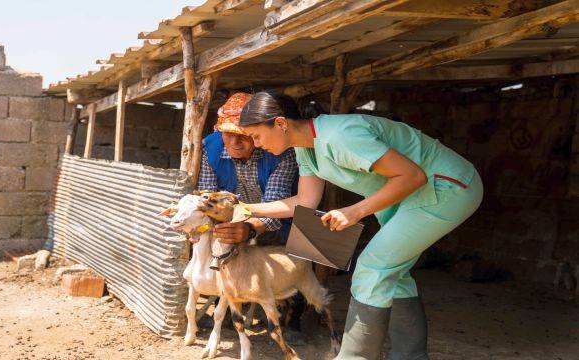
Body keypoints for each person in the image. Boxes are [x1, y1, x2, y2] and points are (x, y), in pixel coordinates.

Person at [229, 91, 483, 359]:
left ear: (280, 123)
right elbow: (304, 201)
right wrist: (244, 208)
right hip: (408, 195)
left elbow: (413, 175)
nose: (255, 144)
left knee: (373, 267)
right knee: (392, 274)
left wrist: (354, 211)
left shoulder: (341, 136)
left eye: (256, 135)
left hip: (446, 187)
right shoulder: (305, 147)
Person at [198, 92, 307, 342]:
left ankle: (294, 316)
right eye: (228, 134)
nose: (234, 143)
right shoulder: (211, 148)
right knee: (220, 246)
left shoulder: (281, 150)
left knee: (299, 253)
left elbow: (275, 203)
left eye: (243, 136)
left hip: (283, 216)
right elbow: (207, 197)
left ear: (255, 131)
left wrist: (249, 229)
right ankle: (225, 307)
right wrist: (212, 228)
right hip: (229, 218)